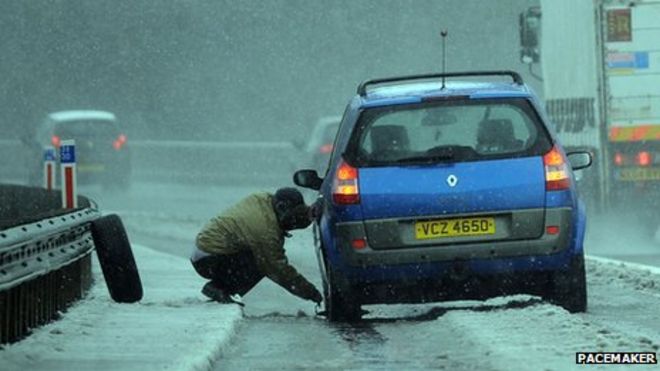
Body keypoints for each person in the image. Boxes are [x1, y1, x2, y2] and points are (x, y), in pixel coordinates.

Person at [190, 187, 323, 306]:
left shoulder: (263, 199)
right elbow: (278, 269)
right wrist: (311, 292)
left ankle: (221, 286)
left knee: (261, 258)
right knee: (263, 263)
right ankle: (220, 288)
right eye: (292, 215)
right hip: (209, 259)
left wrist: (307, 214)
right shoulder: (265, 229)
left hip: (204, 251)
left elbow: (289, 217)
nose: (292, 222)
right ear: (281, 208)